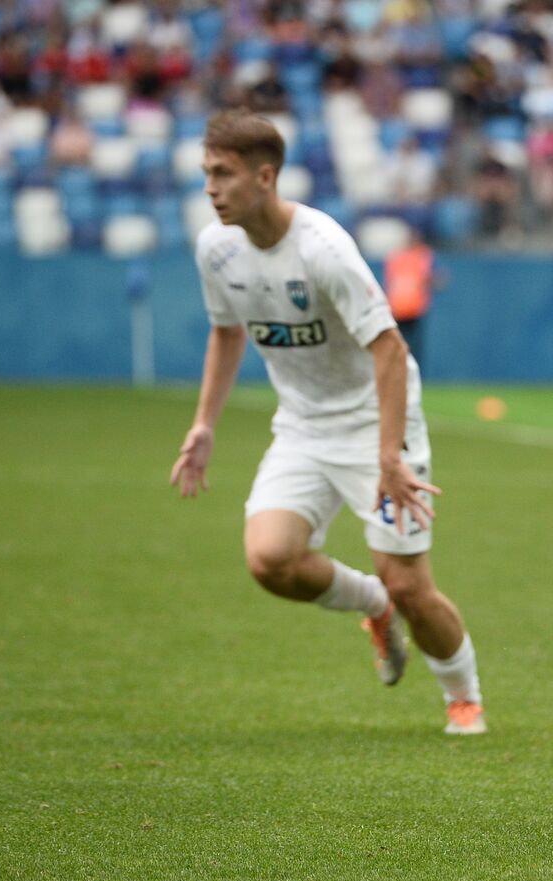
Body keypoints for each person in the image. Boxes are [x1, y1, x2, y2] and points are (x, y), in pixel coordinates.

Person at [169, 109, 486, 735]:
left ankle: (463, 696)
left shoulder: (323, 250)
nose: (210, 188)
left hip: (377, 423)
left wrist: (389, 454)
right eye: (206, 173)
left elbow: (389, 348)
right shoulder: (216, 248)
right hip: (303, 427)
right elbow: (227, 332)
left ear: (265, 177)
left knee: (412, 584)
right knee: (270, 559)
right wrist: (205, 423)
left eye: (223, 174)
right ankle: (373, 603)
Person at [384, 227, 441, 366]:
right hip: (400, 308)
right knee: (402, 346)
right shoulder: (413, 257)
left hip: (412, 308)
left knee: (410, 347)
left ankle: (408, 374)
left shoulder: (410, 257)